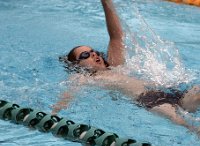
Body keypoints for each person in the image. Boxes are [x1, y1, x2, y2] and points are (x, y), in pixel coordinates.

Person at [52, 0, 200, 133]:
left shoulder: (115, 65)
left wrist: (106, 2)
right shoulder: (84, 77)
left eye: (93, 51)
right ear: (77, 65)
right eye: (85, 55)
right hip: (150, 100)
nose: (93, 55)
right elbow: (67, 96)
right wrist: (54, 114)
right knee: (180, 121)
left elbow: (116, 36)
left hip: (170, 91)